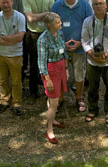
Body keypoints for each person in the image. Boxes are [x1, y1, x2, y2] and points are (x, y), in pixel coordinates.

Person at [50, 0, 93, 111]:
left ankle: (79, 98)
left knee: (79, 73)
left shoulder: (85, 6)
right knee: (60, 73)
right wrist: (60, 43)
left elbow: (90, 27)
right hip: (61, 47)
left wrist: (81, 42)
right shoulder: (56, 6)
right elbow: (51, 28)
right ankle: (60, 98)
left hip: (79, 47)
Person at [81, 0, 108, 124]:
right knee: (92, 87)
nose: (98, 6)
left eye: (100, 3)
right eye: (95, 4)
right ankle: (92, 109)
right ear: (92, 7)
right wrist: (91, 54)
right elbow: (84, 39)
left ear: (106, 6)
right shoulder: (87, 21)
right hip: (92, 61)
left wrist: (106, 54)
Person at [0, 0, 27, 115]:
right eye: (3, 3)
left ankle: (17, 102)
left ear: (12, 2)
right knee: (2, 80)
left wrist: (4, 38)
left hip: (15, 55)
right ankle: (4, 100)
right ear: (0, 4)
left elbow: (20, 37)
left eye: (7, 2)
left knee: (16, 81)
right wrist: (11, 39)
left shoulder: (20, 17)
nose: (5, 5)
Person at [23, 0, 55, 103]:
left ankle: (50, 92)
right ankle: (33, 92)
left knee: (49, 64)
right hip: (33, 34)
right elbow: (30, 18)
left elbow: (52, 16)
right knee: (34, 64)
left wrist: (40, 16)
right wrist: (46, 14)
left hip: (47, 33)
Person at [37, 12, 68, 144]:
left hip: (60, 67)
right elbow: (41, 62)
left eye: (60, 21)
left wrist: (66, 68)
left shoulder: (59, 33)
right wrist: (47, 79)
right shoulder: (43, 40)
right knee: (54, 103)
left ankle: (53, 119)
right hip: (51, 71)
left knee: (54, 99)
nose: (60, 24)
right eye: (58, 22)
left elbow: (64, 50)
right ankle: (49, 130)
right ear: (49, 25)